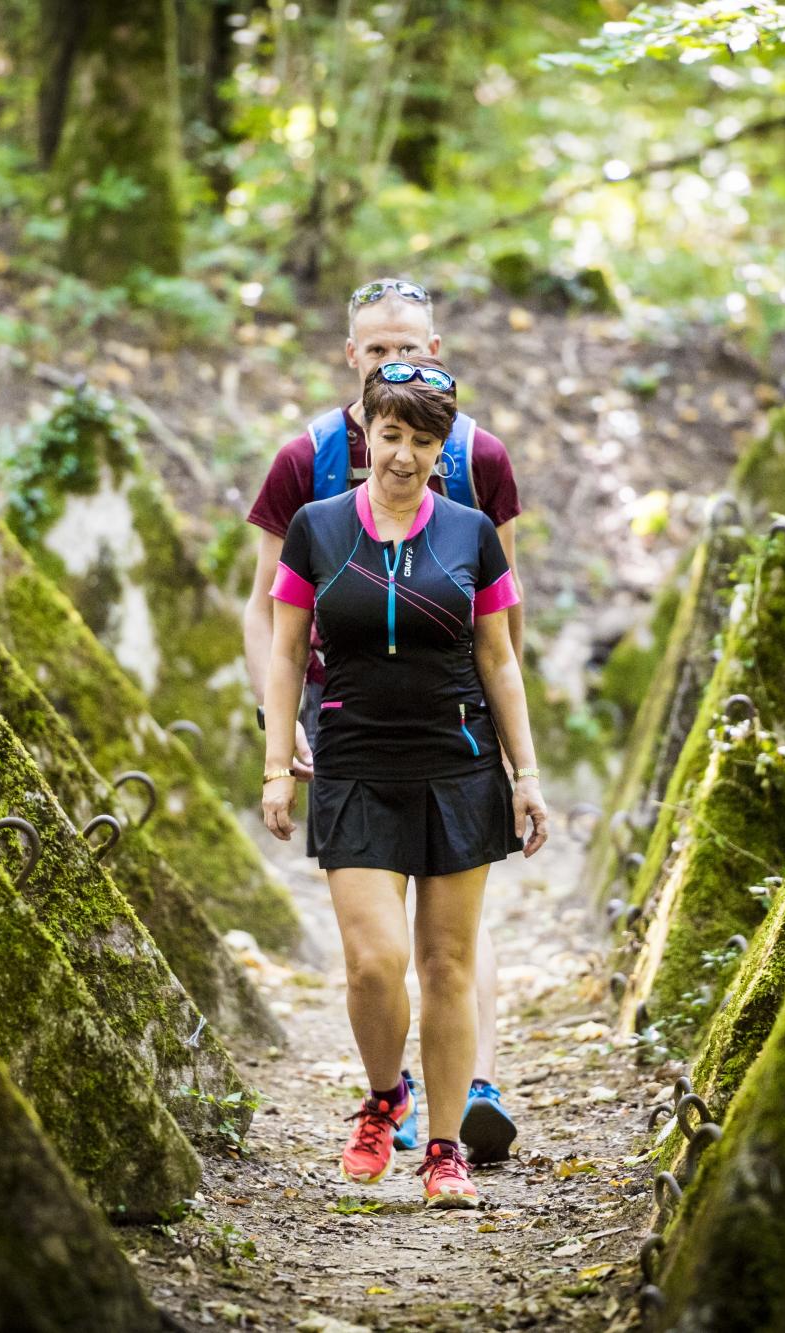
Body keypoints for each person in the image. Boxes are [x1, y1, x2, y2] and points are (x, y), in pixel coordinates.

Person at [241, 278, 528, 1165]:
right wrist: (275, 727)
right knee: (377, 951)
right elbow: (265, 614)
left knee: (451, 940)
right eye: (374, 350)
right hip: (344, 719)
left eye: (409, 347)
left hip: (454, 727)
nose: (392, 362)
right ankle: (389, 1092)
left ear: (437, 351)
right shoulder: (306, 464)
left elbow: (503, 628)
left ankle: (467, 1089)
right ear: (351, 360)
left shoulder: (482, 463)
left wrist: (519, 758)